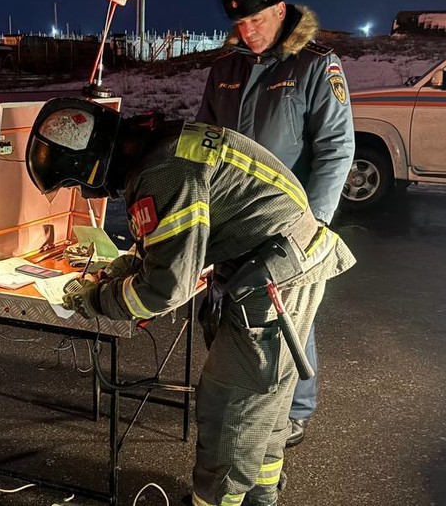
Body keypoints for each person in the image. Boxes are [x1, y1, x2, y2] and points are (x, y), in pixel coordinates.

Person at [25, 97, 355, 506]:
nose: (87, 193)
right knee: (264, 398)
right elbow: (175, 241)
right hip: (279, 262)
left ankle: (217, 501)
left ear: (91, 168)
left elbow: (164, 290)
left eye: (76, 184)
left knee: (232, 404)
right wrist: (126, 266)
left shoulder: (162, 172)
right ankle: (261, 496)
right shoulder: (163, 146)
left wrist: (94, 300)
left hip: (272, 278)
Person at [196, 0, 355, 448]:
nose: (248, 32)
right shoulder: (225, 67)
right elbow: (202, 139)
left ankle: (297, 409)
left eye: (258, 21)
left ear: (281, 11)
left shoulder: (313, 65)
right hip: (230, 217)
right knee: (232, 307)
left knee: (287, 315)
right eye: (240, 24)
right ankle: (241, 393)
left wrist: (315, 225)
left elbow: (335, 149)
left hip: (290, 221)